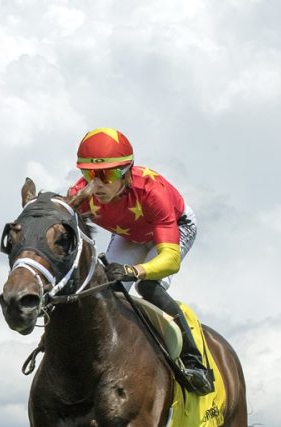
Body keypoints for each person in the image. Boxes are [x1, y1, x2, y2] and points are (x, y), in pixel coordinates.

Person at [68, 128, 214, 395]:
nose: (97, 185)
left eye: (107, 175)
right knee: (107, 287)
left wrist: (134, 270)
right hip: (130, 234)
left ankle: (194, 362)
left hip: (175, 228)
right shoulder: (80, 194)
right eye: (89, 174)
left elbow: (170, 260)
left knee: (148, 286)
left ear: (126, 171)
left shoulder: (152, 191)